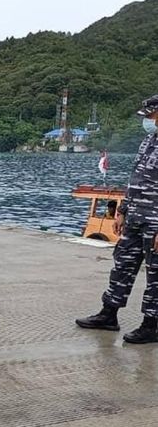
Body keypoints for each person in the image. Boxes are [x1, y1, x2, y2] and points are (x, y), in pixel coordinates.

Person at [76, 95, 158, 344]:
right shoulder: (148, 141)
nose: (147, 121)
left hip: (155, 222)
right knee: (122, 265)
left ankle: (152, 325)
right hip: (135, 217)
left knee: (156, 274)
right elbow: (136, 181)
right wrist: (122, 210)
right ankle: (108, 314)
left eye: (150, 116)